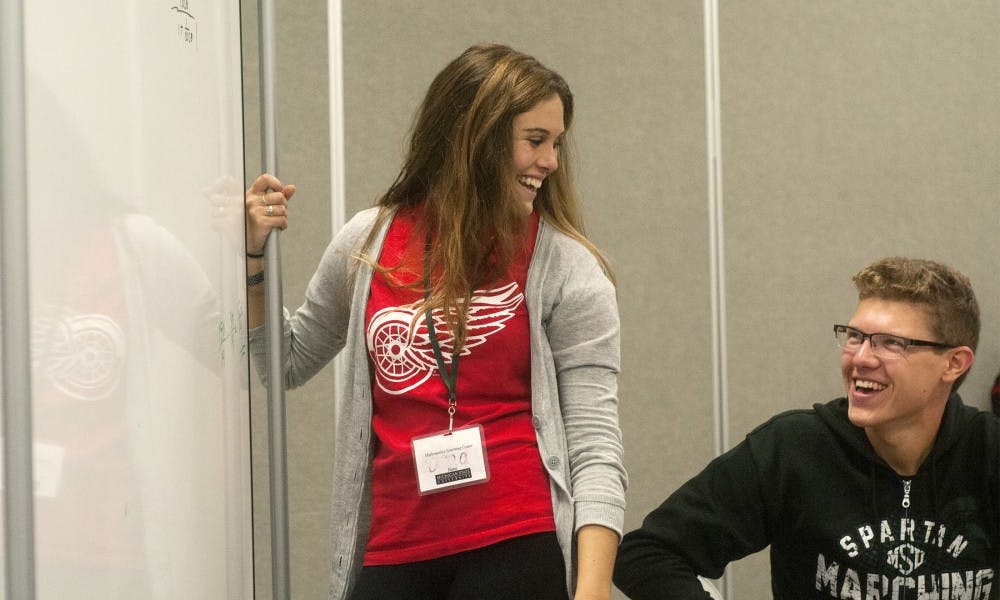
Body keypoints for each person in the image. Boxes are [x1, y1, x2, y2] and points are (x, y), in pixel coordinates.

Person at [244, 44, 626, 600]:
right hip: (393, 549)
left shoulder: (566, 267)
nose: (551, 162)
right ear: (477, 139)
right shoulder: (369, 242)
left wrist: (590, 595)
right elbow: (286, 362)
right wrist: (253, 261)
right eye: (535, 141)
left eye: (557, 144)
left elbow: (595, 448)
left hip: (515, 543)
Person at [613, 257, 999, 599]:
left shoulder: (988, 450)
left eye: (890, 343)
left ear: (954, 363)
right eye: (854, 338)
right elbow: (649, 555)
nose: (861, 358)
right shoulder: (794, 449)